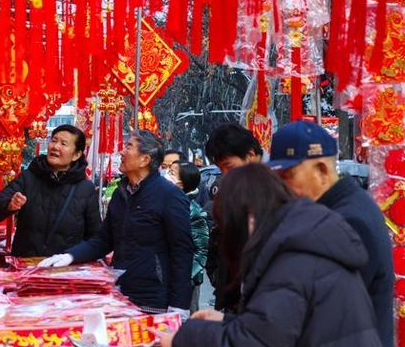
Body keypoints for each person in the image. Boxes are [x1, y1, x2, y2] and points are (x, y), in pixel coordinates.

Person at [159, 164, 381, 347]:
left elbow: (257, 341)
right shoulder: (297, 236)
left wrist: (185, 337)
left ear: (247, 215)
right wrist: (227, 322)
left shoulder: (291, 255)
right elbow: (276, 326)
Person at [268, 121, 395, 347]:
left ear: (322, 171)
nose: (282, 188)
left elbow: (317, 309)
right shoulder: (339, 208)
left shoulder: (348, 221)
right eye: (277, 179)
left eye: (288, 176)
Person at [39, 130, 194, 315]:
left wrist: (179, 304)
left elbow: (182, 251)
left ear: (144, 160)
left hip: (154, 298)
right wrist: (70, 256)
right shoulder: (122, 193)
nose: (122, 152)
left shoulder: (169, 195)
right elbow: (104, 240)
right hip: (121, 293)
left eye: (129, 147)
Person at [0, 125, 101, 257]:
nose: (55, 146)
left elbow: (95, 238)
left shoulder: (85, 189)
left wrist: (72, 256)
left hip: (65, 267)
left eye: (63, 143)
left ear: (76, 155)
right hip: (27, 264)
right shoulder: (28, 178)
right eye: (54, 140)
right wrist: (8, 205)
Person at [203, 123, 264, 312]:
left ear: (251, 155)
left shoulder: (277, 195)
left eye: (229, 167)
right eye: (221, 169)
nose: (226, 175)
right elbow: (216, 248)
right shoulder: (229, 194)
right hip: (232, 304)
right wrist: (221, 283)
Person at [173, 162, 209, 314]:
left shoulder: (194, 211)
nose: (166, 175)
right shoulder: (170, 202)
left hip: (187, 279)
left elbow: (201, 250)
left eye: (172, 172)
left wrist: (186, 275)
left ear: (182, 182)